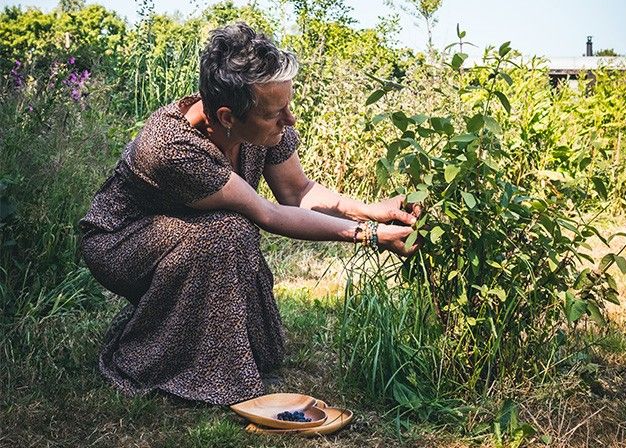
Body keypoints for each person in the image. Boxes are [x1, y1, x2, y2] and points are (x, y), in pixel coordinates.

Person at [79, 22, 418, 405]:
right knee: (228, 232)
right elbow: (269, 214)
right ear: (227, 117)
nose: (289, 120)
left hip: (182, 234)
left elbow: (297, 191)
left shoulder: (260, 125)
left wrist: (371, 211)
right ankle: (153, 359)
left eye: (287, 106)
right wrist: (369, 236)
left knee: (257, 327)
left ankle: (195, 348)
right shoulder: (172, 147)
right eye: (276, 113)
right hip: (122, 240)